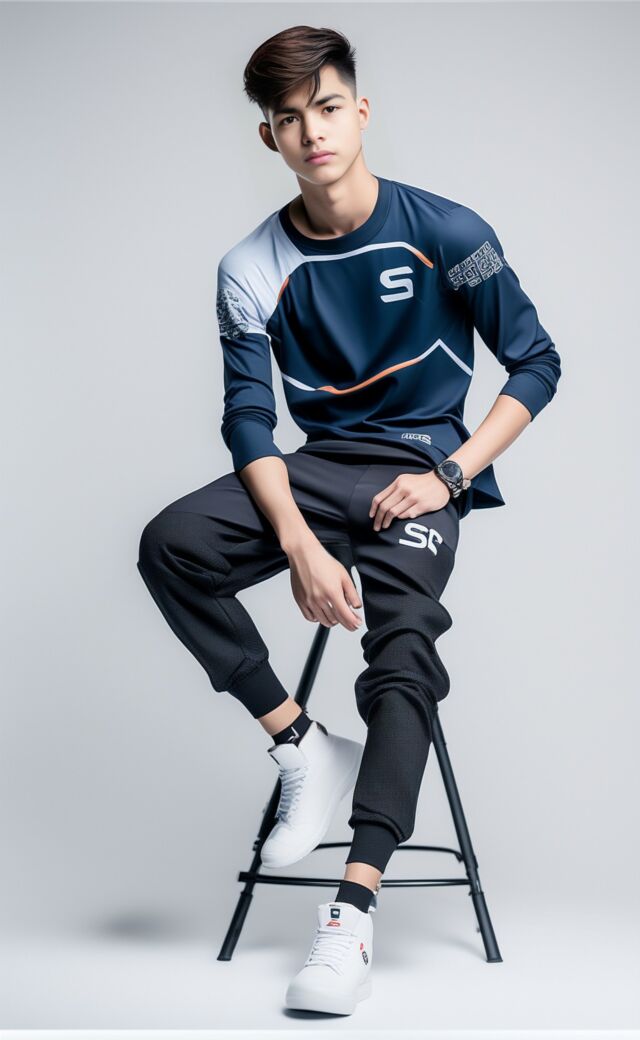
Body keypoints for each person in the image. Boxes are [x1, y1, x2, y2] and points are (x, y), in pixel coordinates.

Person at [137, 24, 561, 1016]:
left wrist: (452, 474)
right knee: (171, 544)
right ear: (269, 137)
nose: (312, 132)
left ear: (360, 112)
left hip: (420, 469)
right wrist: (295, 542)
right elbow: (248, 419)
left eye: (327, 108)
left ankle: (351, 913)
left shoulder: (449, 231)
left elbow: (536, 360)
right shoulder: (250, 265)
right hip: (319, 469)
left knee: (402, 651)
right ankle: (301, 743)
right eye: (290, 119)